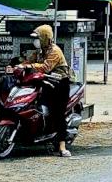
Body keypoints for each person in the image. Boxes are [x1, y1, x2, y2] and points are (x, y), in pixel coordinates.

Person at [15, 23, 72, 157]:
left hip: (59, 84)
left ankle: (62, 146)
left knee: (58, 113)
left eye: (37, 38)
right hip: (45, 82)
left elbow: (46, 67)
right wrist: (18, 66)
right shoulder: (40, 51)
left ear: (45, 38)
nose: (35, 41)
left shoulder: (55, 51)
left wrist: (28, 66)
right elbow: (29, 61)